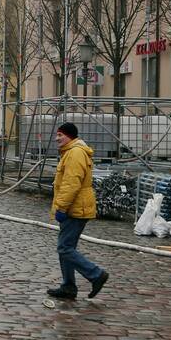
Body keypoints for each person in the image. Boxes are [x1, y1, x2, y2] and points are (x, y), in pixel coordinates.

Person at [48, 122, 109, 300]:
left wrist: (62, 207)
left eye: (61, 135)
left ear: (70, 136)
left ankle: (96, 274)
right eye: (57, 135)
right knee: (66, 247)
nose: (57, 138)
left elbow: (71, 184)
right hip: (74, 207)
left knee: (65, 248)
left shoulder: (75, 153)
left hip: (75, 208)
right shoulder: (70, 152)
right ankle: (68, 286)